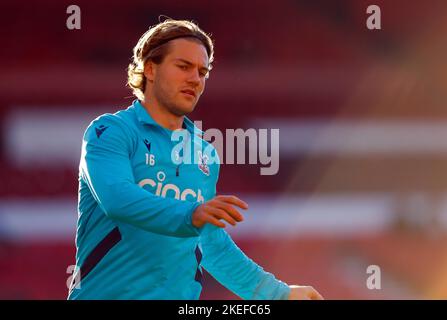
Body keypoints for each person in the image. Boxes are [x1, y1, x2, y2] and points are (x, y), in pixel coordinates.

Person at [68, 18, 323, 300]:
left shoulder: (205, 154)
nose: (195, 79)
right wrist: (190, 214)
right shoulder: (111, 131)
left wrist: (280, 294)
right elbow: (118, 199)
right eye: (183, 67)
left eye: (203, 72)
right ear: (150, 68)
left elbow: (211, 245)